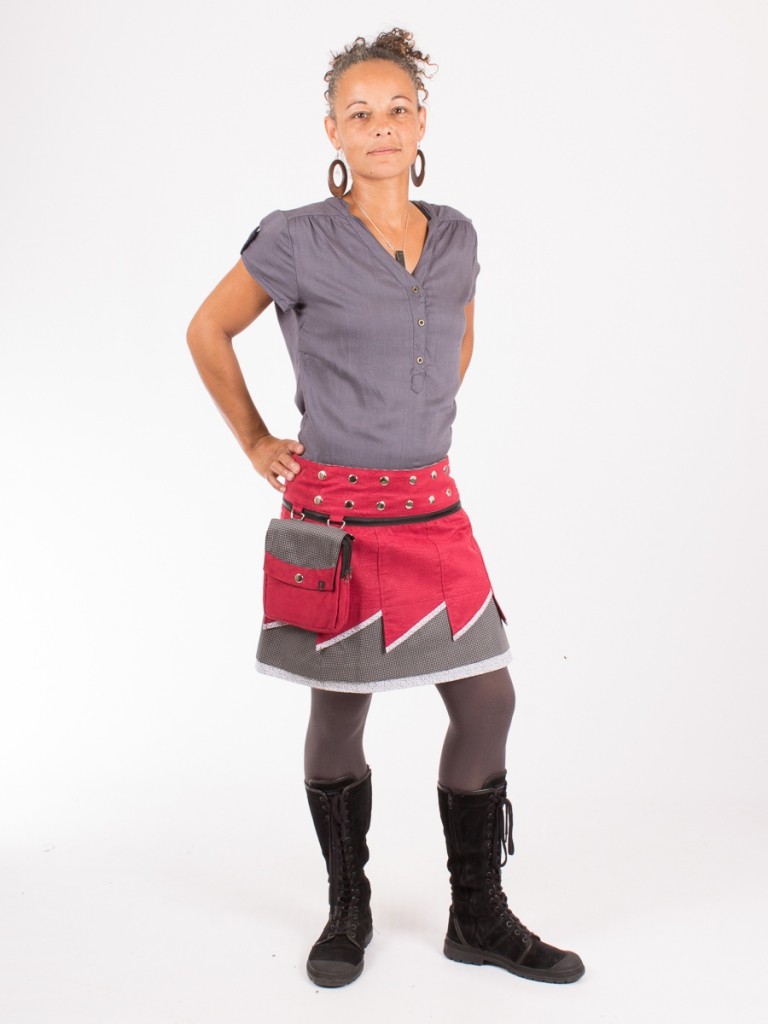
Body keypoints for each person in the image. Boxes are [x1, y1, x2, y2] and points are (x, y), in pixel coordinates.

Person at [186, 28, 584, 989]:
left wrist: (413, 414)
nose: (380, 126)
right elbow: (207, 329)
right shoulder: (294, 237)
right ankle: (347, 907)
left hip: (433, 510)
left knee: (489, 698)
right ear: (332, 130)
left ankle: (477, 917)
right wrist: (256, 441)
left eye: (397, 109)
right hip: (335, 520)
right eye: (359, 113)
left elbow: (456, 344)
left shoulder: (457, 237)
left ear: (421, 122)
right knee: (339, 710)